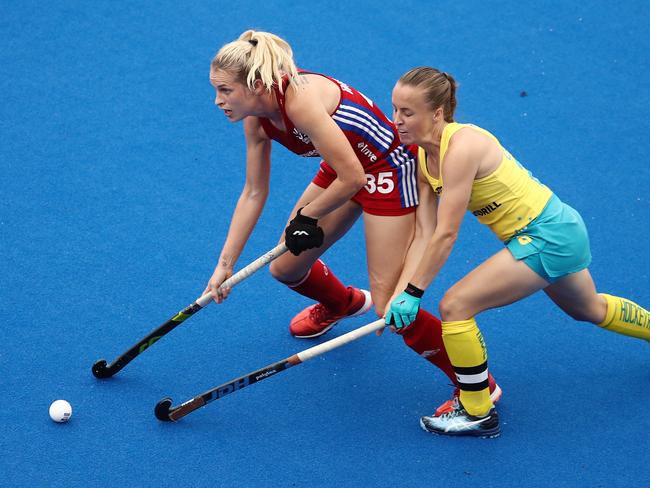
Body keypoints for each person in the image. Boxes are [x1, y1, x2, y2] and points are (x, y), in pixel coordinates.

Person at [203, 30, 501, 406]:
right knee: (285, 268)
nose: (218, 101)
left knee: (390, 308)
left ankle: (477, 384)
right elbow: (253, 192)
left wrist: (308, 216)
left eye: (225, 90)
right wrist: (225, 265)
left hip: (387, 172)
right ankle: (341, 304)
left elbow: (355, 179)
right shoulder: (256, 118)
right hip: (344, 167)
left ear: (257, 84)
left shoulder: (301, 102)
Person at [386, 66, 649, 438]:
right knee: (588, 309)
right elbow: (425, 233)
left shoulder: (462, 148)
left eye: (407, 112)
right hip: (551, 233)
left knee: (455, 306)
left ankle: (477, 411)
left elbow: (446, 233)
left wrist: (415, 293)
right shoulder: (421, 159)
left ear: (438, 113)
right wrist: (402, 291)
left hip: (549, 235)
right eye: (395, 109)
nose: (396, 120)